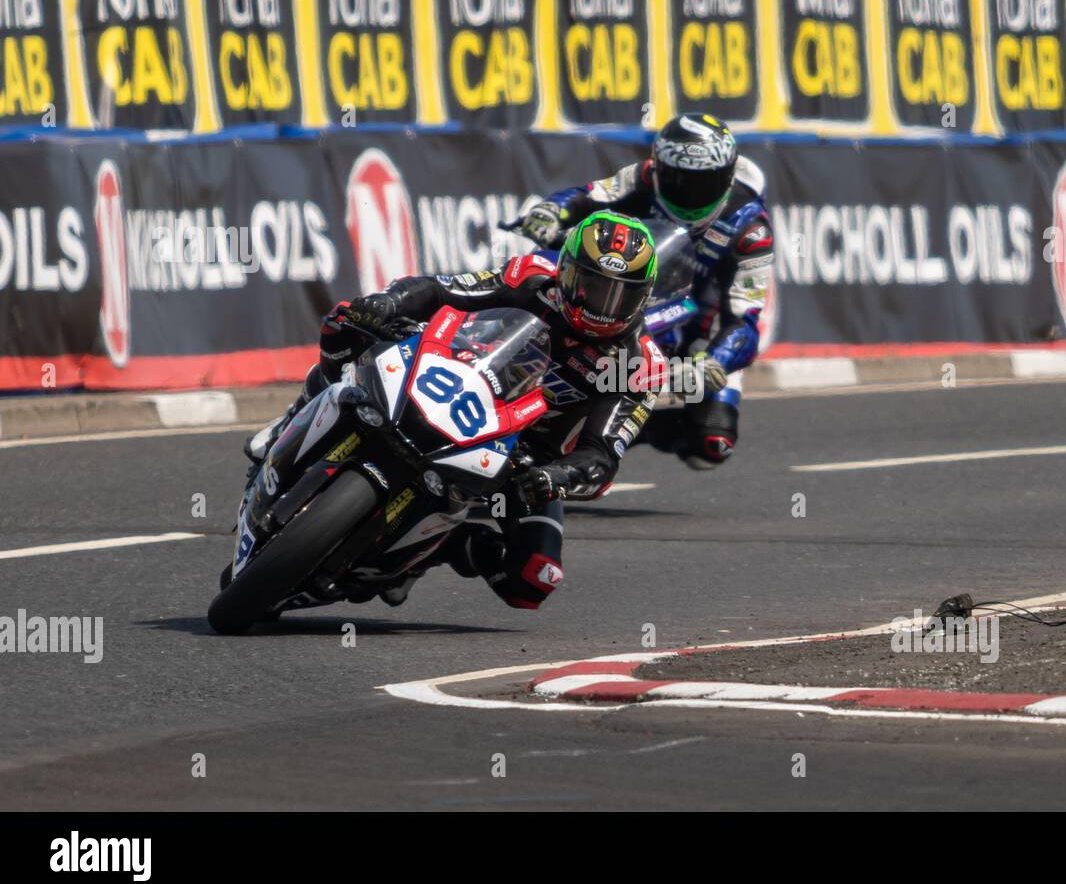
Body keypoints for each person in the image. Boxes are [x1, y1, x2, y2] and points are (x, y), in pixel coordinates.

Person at [247, 211, 664, 611]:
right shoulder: (531, 276)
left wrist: (556, 476)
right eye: (592, 285)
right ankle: (290, 421)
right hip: (460, 380)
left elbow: (602, 453)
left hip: (525, 457)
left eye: (620, 294)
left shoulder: (638, 365)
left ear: (642, 297)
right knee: (346, 327)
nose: (602, 305)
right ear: (567, 272)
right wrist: (389, 303)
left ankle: (445, 545)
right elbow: (443, 289)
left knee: (534, 580)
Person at [516, 112, 773, 468]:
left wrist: (714, 361)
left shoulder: (751, 229)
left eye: (702, 183)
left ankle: (635, 425)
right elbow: (587, 196)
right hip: (622, 293)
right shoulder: (643, 177)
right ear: (661, 169)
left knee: (712, 447)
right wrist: (551, 210)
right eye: (678, 180)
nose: (688, 193)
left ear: (726, 176)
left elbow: (745, 319)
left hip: (694, 329)